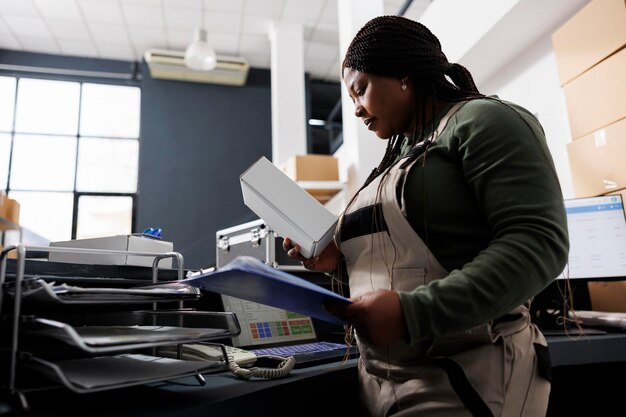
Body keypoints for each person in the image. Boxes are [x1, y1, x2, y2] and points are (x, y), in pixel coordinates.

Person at [283, 15, 569, 417]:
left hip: (471, 378)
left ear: (402, 72)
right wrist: (338, 263)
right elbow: (411, 263)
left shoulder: (486, 121)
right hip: (381, 380)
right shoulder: (395, 159)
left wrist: (412, 313)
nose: (358, 111)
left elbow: (539, 244)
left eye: (360, 90)